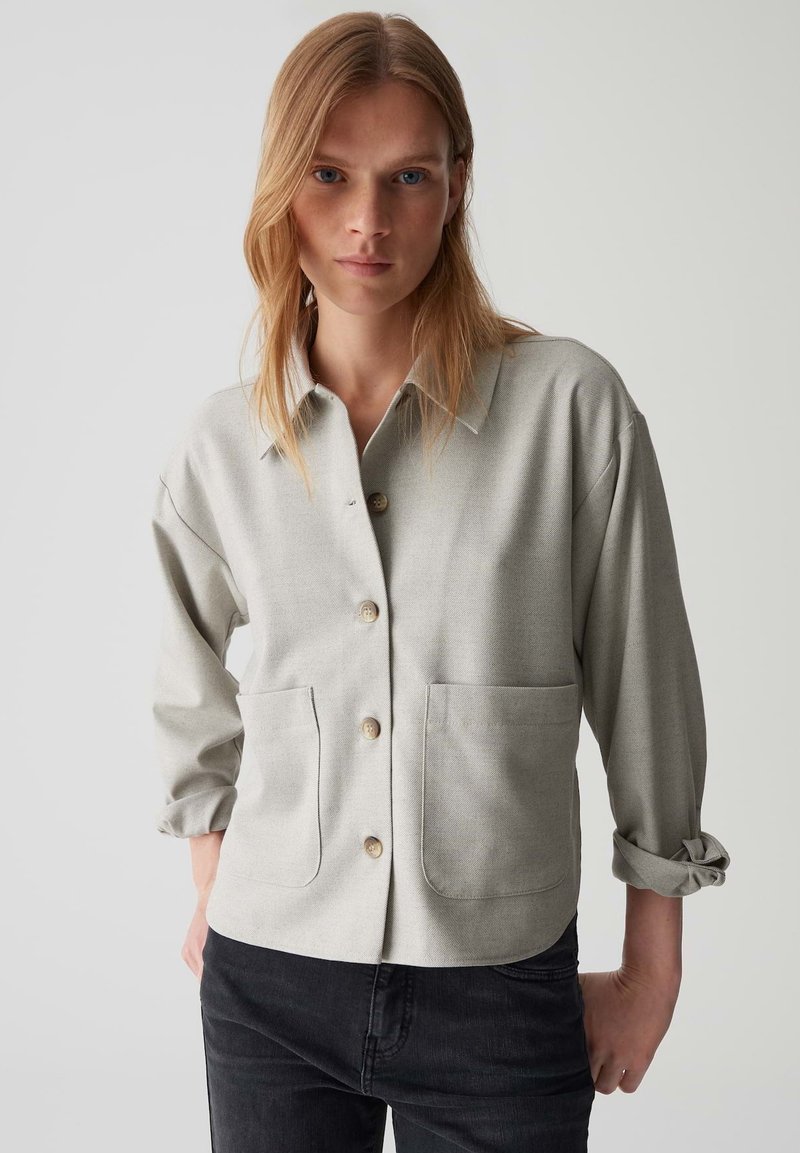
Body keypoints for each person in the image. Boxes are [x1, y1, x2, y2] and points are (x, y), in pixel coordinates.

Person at [150, 11, 731, 1152]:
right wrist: (213, 882)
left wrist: (651, 963)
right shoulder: (219, 447)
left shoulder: (570, 411)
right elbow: (185, 684)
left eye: (407, 176)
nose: (367, 220)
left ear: (457, 184)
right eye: (329, 174)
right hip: (269, 987)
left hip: (499, 989)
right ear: (282, 184)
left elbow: (645, 688)